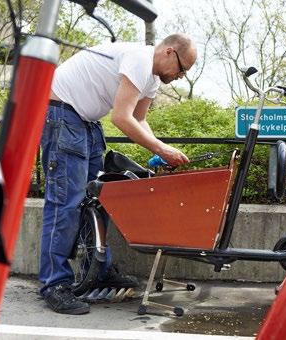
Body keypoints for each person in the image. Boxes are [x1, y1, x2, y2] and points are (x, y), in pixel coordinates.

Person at [39, 34, 196, 315]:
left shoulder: (153, 78)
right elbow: (121, 118)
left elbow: (140, 119)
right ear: (169, 52)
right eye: (183, 69)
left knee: (97, 199)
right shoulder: (139, 59)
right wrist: (163, 148)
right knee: (66, 202)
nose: (182, 76)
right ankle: (54, 284)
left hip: (86, 121)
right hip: (62, 113)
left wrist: (161, 151)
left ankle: (96, 270)